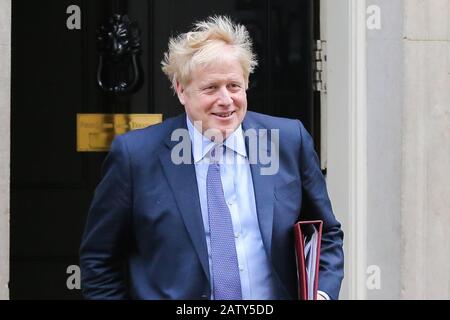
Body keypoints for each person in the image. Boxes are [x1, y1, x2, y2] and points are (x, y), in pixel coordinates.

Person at [79, 15, 344, 300]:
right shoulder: (136, 157)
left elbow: (326, 234)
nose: (226, 100)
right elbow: (99, 260)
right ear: (181, 90)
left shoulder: (288, 141)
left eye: (234, 86)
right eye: (210, 88)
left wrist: (321, 294)